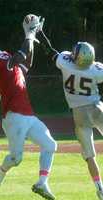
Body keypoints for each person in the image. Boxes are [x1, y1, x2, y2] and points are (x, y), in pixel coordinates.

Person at [0, 14, 57, 200]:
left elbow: (26, 63)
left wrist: (32, 38)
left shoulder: (3, 68)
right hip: (15, 118)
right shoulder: (0, 66)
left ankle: (42, 183)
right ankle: (2, 171)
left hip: (27, 115)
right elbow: (21, 55)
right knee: (16, 159)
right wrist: (28, 34)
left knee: (50, 145)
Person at [52, 41, 103, 200]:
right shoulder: (96, 70)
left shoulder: (65, 63)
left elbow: (53, 53)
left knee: (90, 156)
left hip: (79, 112)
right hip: (97, 108)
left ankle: (100, 188)